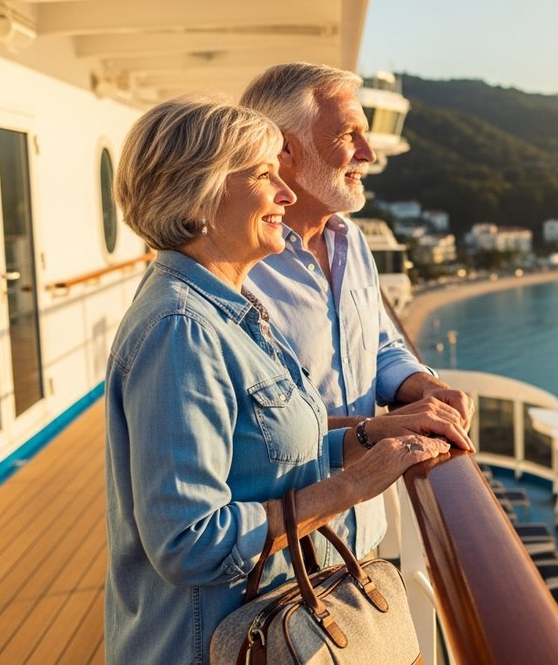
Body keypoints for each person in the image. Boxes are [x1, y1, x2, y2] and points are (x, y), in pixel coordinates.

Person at [103, 94, 453, 664]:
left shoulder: (226, 306)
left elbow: (258, 449)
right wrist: (353, 487)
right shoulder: (180, 328)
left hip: (259, 627)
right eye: (266, 175)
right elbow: (188, 541)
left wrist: (368, 437)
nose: (286, 195)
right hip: (208, 646)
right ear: (203, 192)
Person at [241, 63, 474, 558]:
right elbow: (247, 432)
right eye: (350, 135)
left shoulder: (353, 240)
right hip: (281, 559)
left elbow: (380, 341)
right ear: (285, 148)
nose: (368, 154)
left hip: (359, 544)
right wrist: (371, 434)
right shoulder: (240, 270)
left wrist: (423, 386)